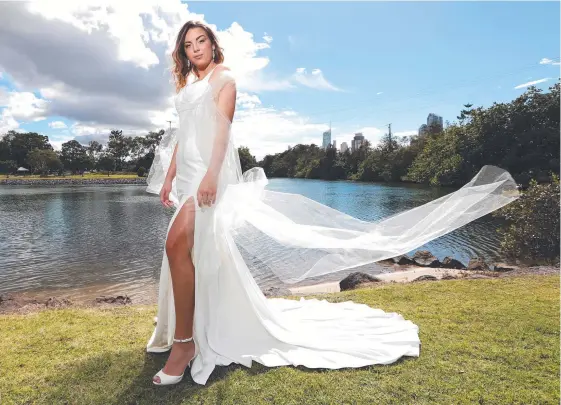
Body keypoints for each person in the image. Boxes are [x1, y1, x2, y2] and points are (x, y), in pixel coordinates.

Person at [145, 21, 520, 386]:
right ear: (183, 52)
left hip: (210, 176)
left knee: (176, 245)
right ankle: (199, 326)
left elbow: (222, 131)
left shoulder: (223, 79)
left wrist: (212, 175)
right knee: (197, 254)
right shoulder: (191, 84)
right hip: (189, 174)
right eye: (188, 45)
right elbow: (183, 133)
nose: (195, 49)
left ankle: (185, 344)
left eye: (201, 41)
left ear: (213, 44)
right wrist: (170, 174)